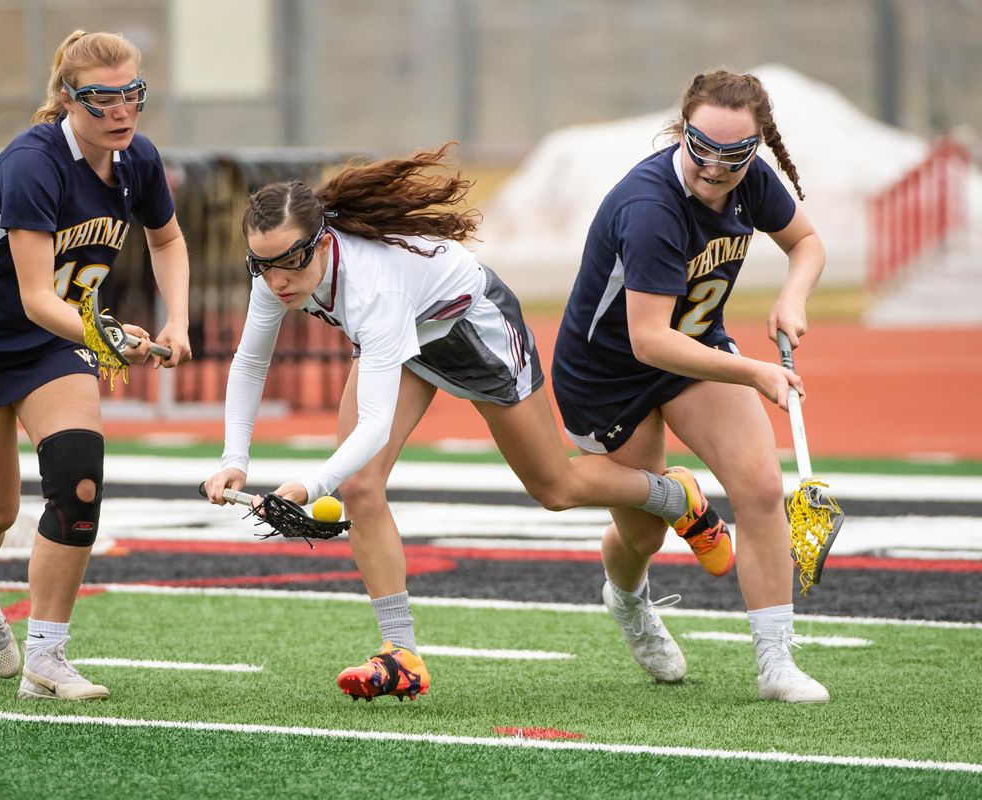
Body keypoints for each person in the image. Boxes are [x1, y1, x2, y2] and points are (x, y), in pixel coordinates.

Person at [204, 144, 730, 701]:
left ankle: (676, 497)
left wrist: (310, 486)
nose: (278, 281)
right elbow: (251, 361)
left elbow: (375, 424)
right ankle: (400, 654)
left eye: (290, 262)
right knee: (360, 487)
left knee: (555, 487)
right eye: (262, 265)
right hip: (403, 341)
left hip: (472, 331)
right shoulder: (275, 277)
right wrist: (233, 461)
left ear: (322, 242)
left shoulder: (372, 288)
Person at [0, 30, 192, 701]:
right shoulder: (32, 163)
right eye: (103, 99)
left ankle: (47, 658)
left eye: (133, 95)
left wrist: (175, 321)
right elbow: (37, 297)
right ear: (68, 98)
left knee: (79, 482)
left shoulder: (137, 160)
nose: (122, 112)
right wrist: (107, 334)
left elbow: (168, 238)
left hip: (50, 346)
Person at [552, 69, 829, 702]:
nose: (714, 165)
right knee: (644, 534)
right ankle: (628, 600)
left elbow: (807, 242)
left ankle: (776, 663)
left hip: (694, 349)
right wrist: (756, 370)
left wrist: (793, 296)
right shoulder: (650, 207)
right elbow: (649, 341)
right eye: (701, 145)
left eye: (735, 153)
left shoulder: (749, 178)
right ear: (683, 129)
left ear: (756, 147)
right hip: (608, 376)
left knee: (760, 488)